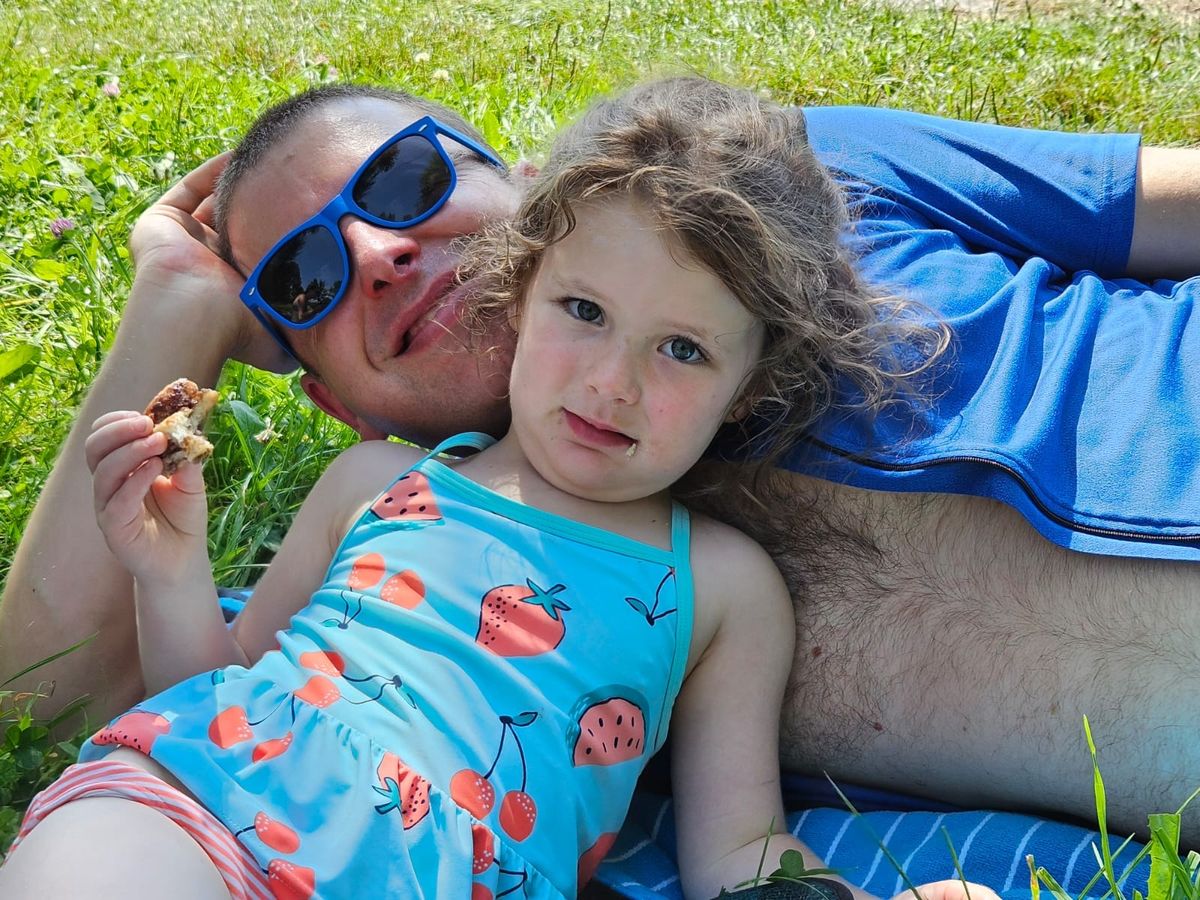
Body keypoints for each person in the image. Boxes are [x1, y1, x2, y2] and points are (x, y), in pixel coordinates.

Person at [2, 76, 1198, 851]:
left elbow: (1166, 205)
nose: (375, 251)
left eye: (406, 179)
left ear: (521, 184)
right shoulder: (410, 612)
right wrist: (174, 303)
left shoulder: (804, 175)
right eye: (303, 282)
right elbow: (48, 700)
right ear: (342, 406)